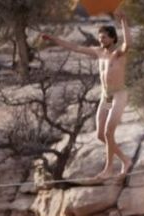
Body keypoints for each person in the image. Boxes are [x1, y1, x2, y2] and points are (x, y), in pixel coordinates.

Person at [42, 12, 133, 180]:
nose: (101, 40)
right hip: (106, 97)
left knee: (108, 133)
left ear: (113, 39)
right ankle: (125, 160)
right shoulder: (98, 52)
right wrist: (54, 39)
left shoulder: (118, 54)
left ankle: (108, 169)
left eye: (104, 38)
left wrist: (124, 22)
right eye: (100, 38)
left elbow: (128, 43)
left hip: (119, 95)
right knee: (100, 135)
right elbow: (75, 47)